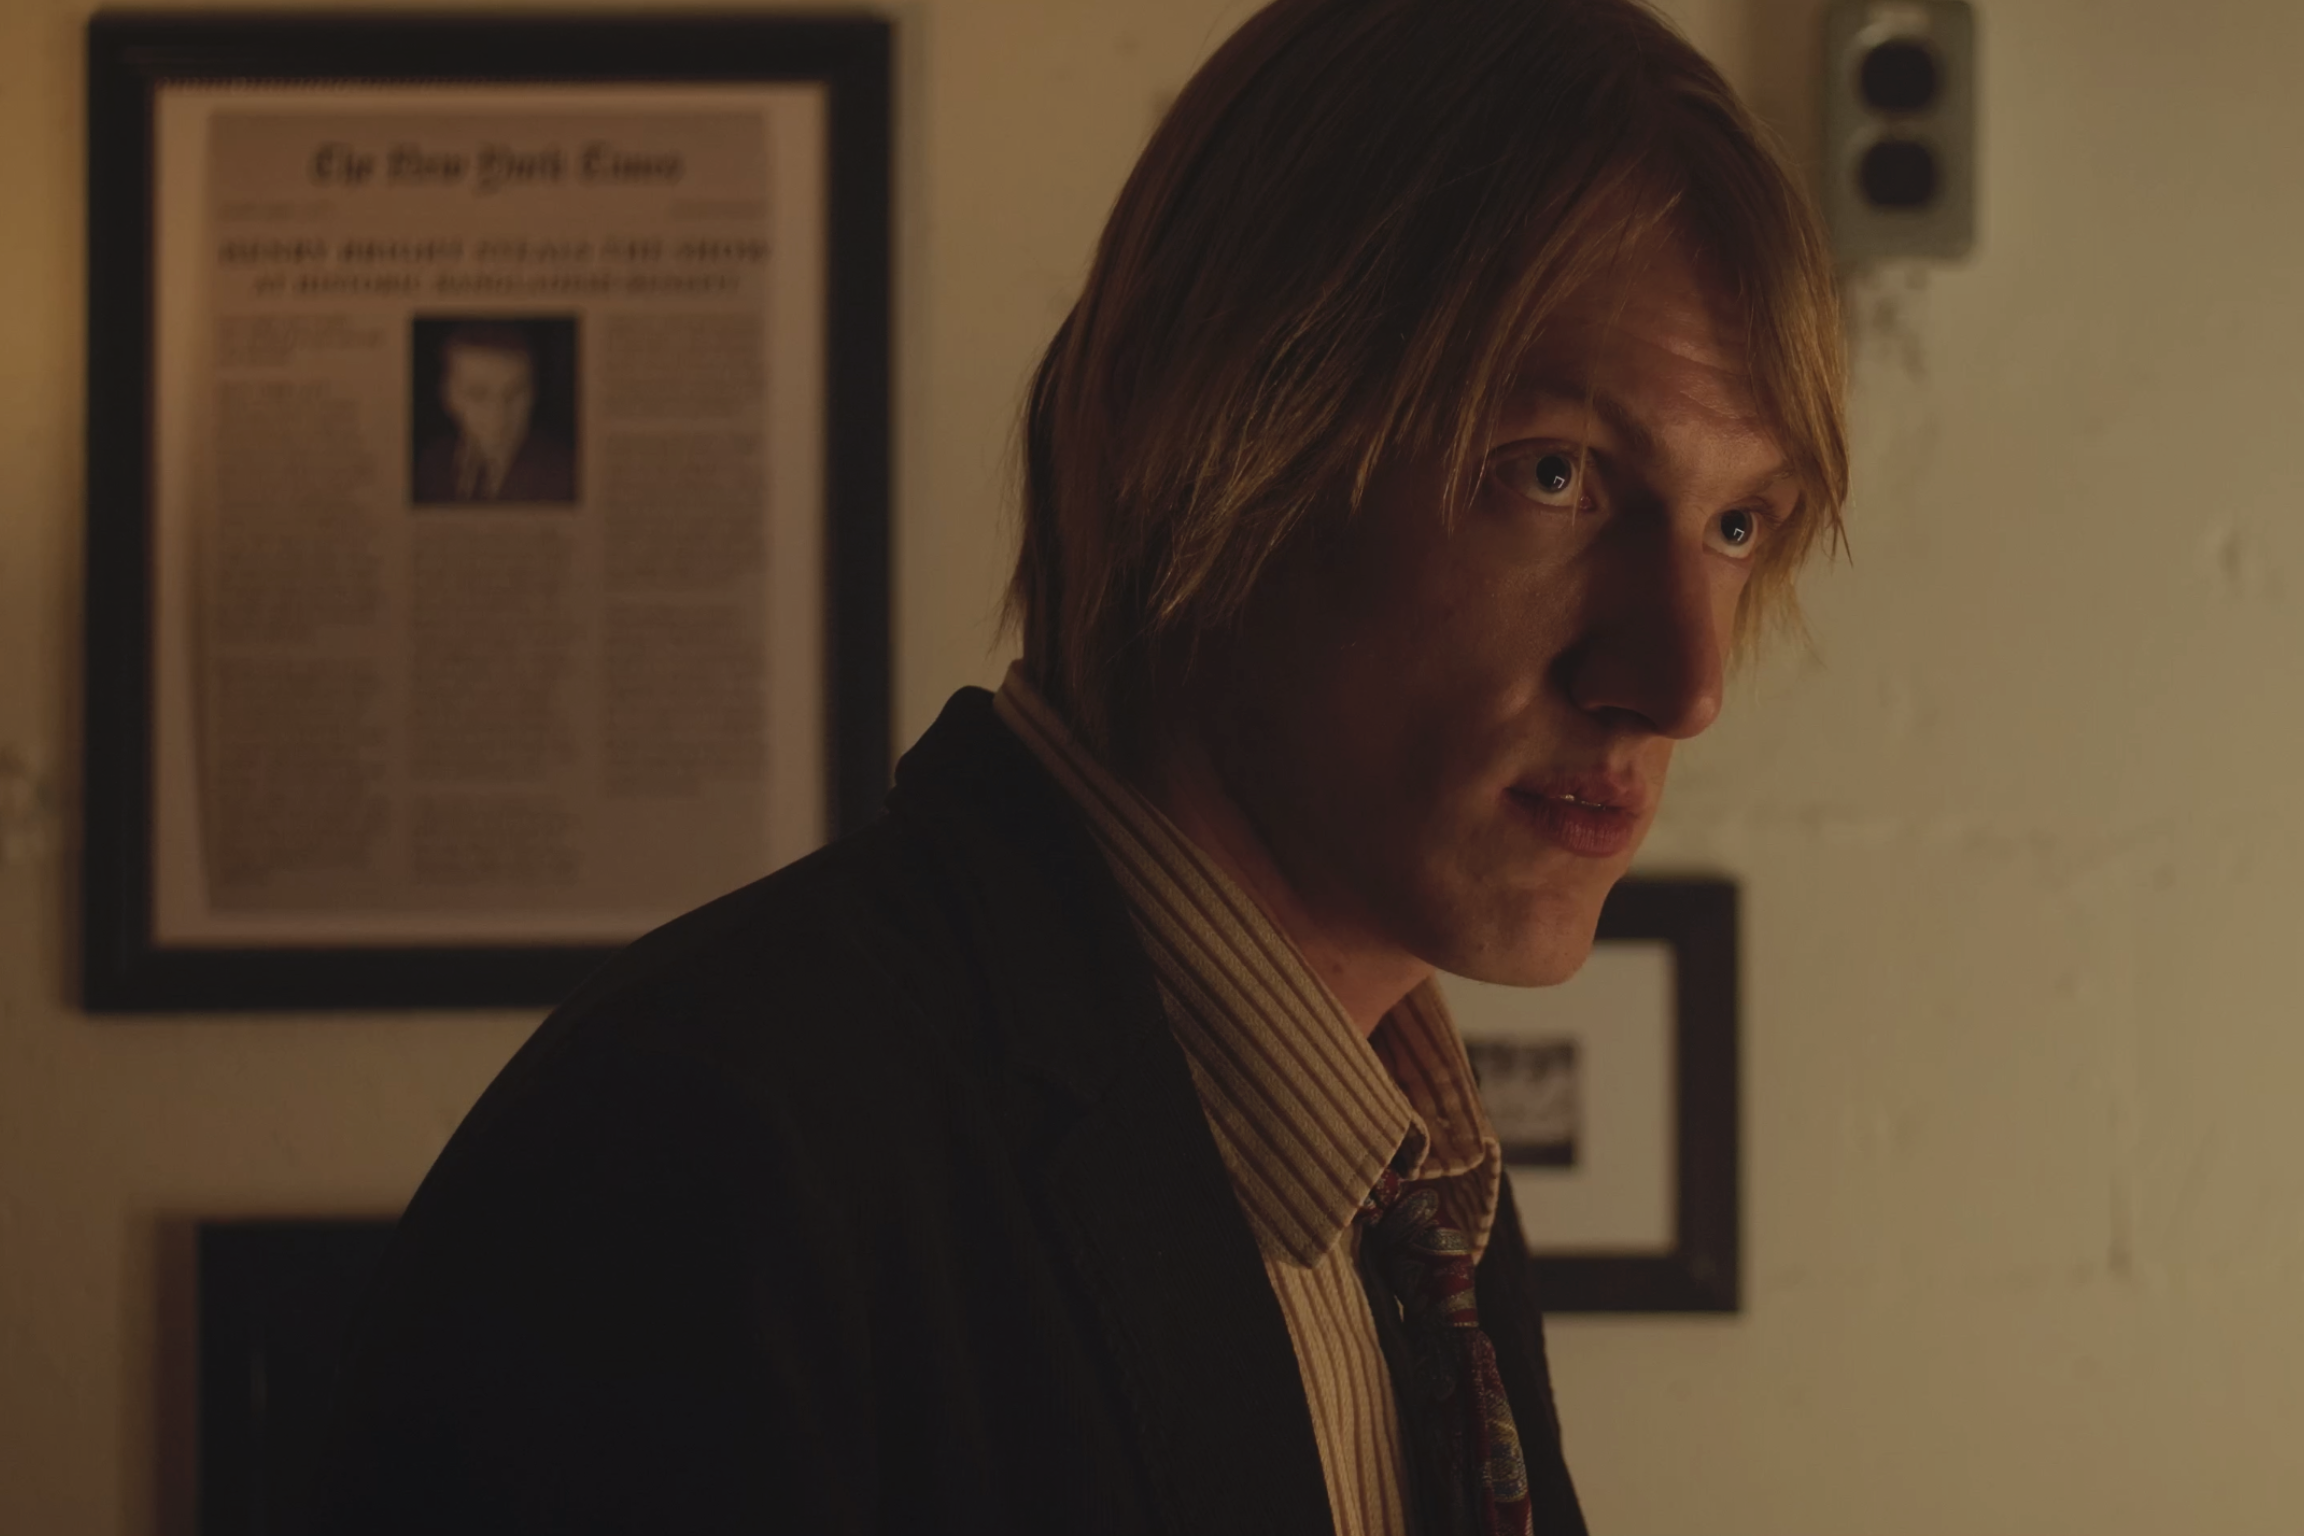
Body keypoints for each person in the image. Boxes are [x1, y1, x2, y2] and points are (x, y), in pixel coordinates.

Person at [317, 0, 1846, 1530]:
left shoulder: (1418, 1200)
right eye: (1555, 474)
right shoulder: (699, 1164)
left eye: (1737, 523)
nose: (1685, 684)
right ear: (1208, 427)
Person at [410, 322, 578, 504]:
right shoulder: (431, 464)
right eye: (478, 394)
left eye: (515, 392)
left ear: (533, 394)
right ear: (449, 396)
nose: (498, 413)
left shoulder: (570, 475)